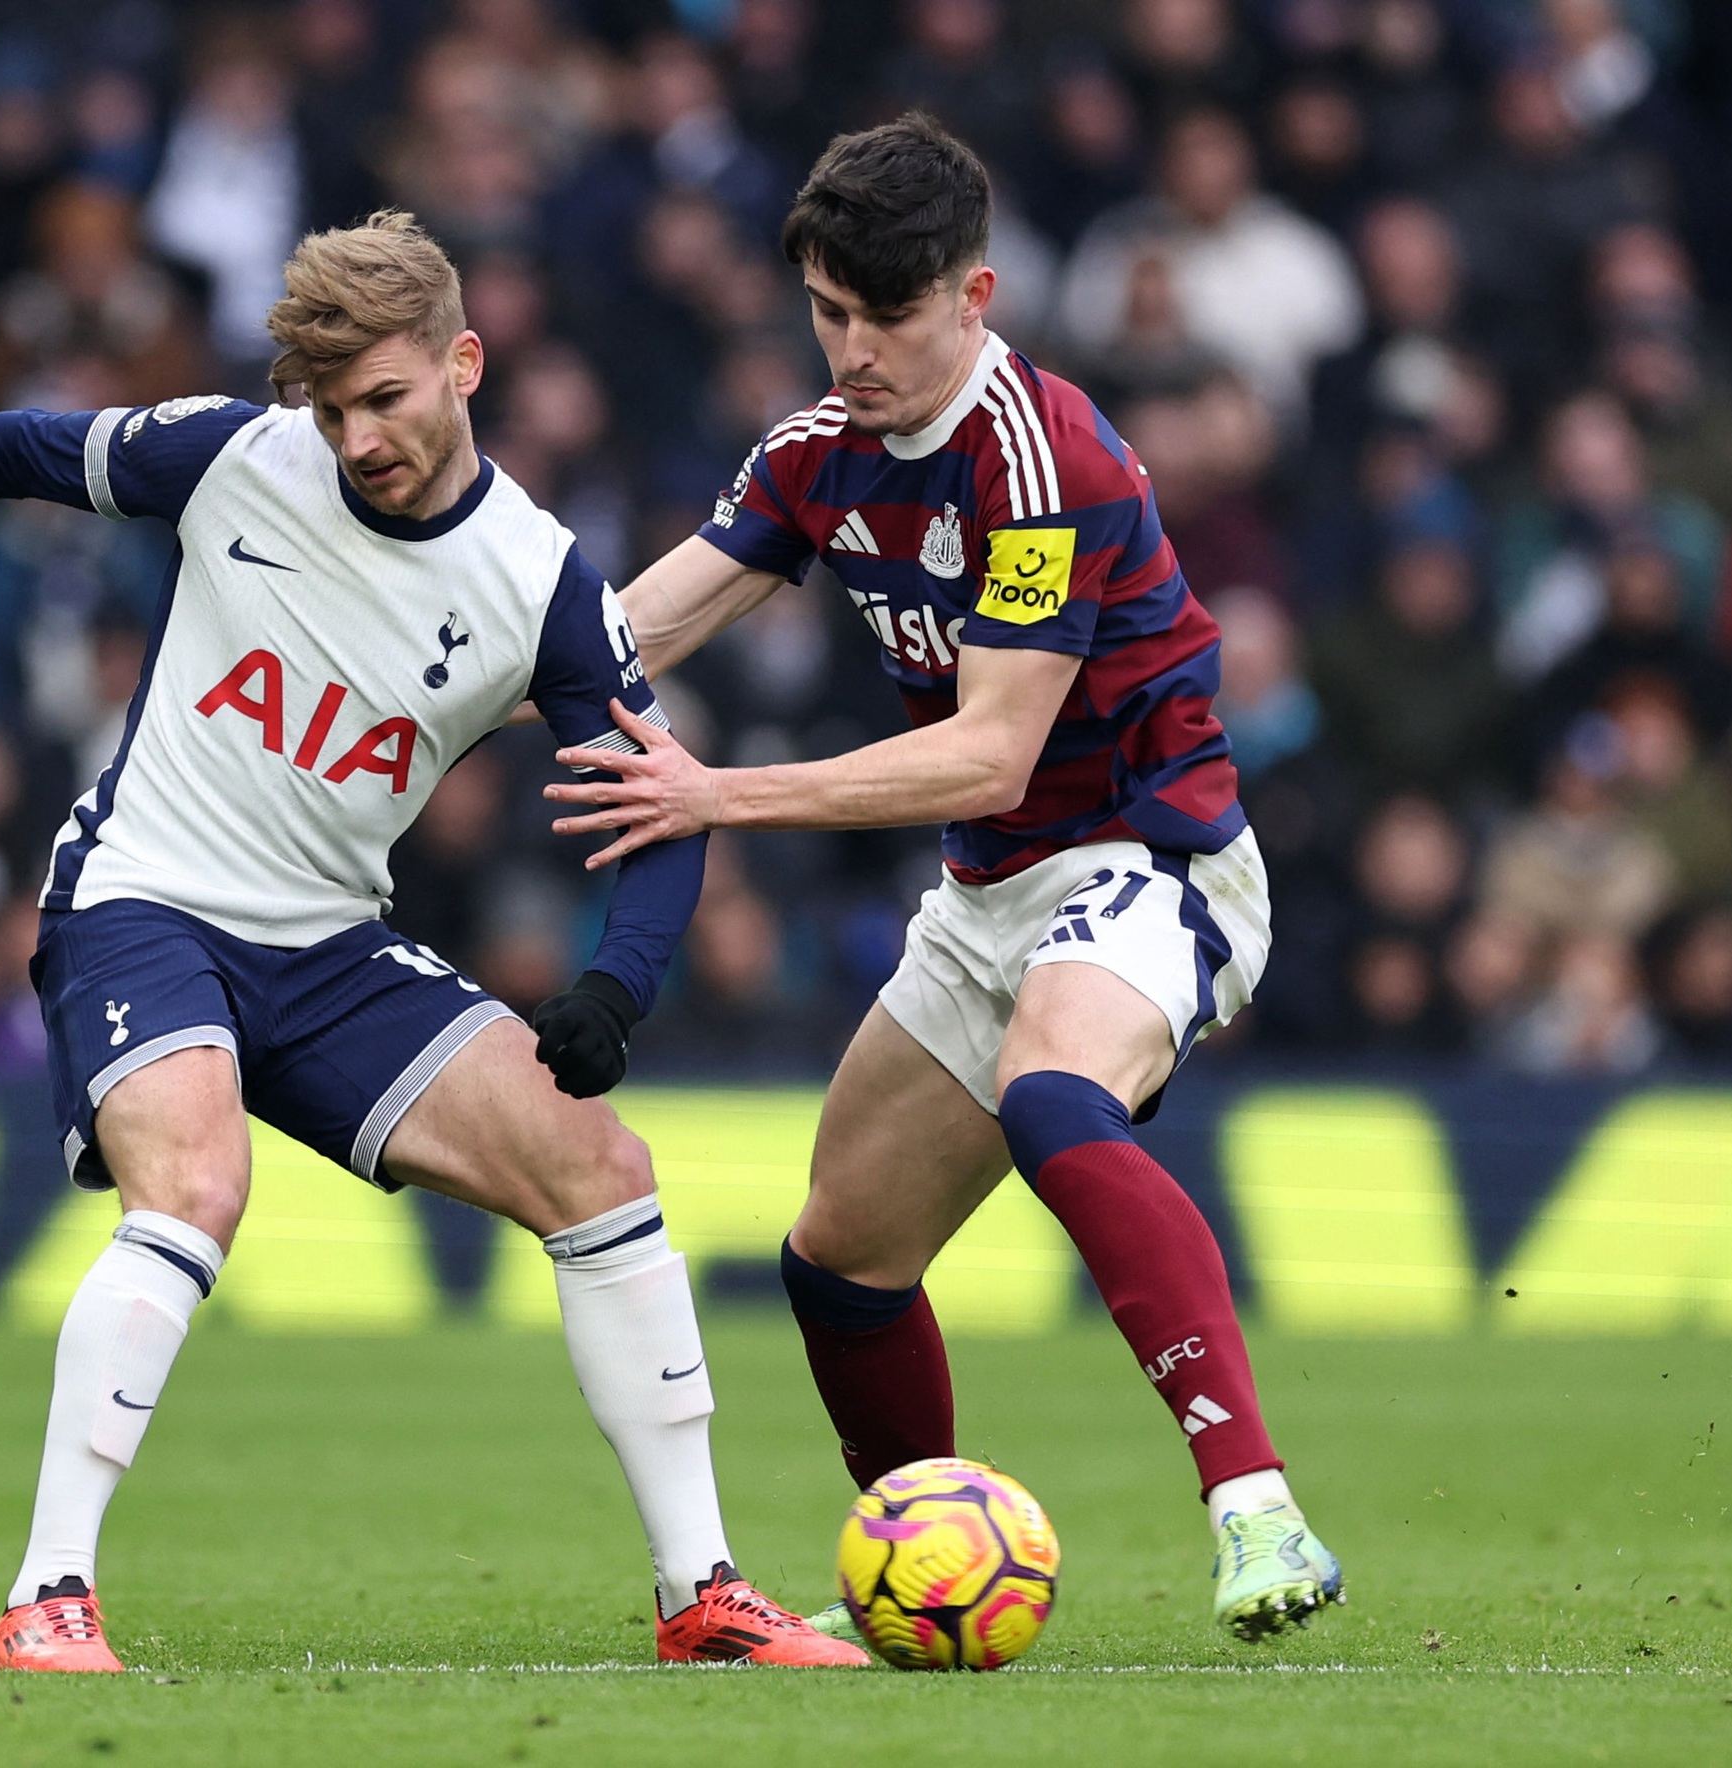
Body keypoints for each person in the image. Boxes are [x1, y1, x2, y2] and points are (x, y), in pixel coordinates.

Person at [0, 211, 864, 1674]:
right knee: (197, 1183)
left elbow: (661, 805)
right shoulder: (238, 455)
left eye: (387, 399)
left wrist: (619, 985)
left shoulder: (542, 584)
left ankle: (704, 1593)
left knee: (601, 1170)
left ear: (465, 364)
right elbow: (33, 448)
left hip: (324, 945)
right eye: (333, 407)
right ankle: (47, 1598)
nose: (356, 437)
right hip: (142, 902)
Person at [548, 117, 1345, 1642]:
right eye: (828, 313)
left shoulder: (1047, 465)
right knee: (840, 1257)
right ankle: (928, 1575)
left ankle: (1257, 1509)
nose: (852, 351)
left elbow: (989, 753)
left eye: (888, 318)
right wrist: (421, 674)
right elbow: (614, 637)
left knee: (1057, 1094)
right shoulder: (811, 457)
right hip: (991, 897)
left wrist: (717, 794)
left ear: (973, 297)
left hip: (1152, 861)